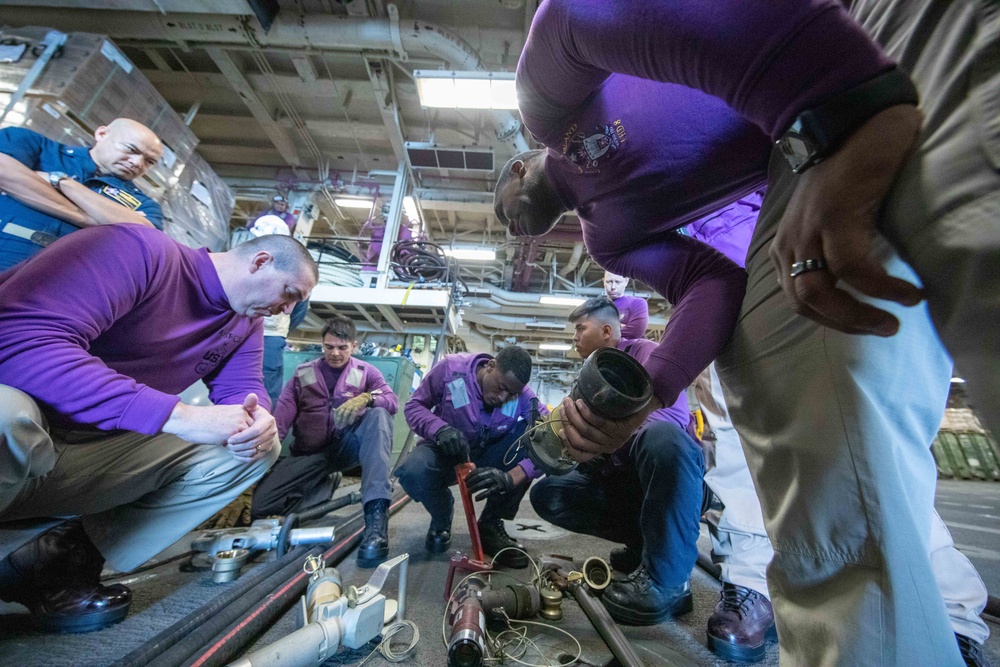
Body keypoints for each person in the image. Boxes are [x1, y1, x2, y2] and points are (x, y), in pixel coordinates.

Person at [495, 1, 995, 663]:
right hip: (800, 150)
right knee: (785, 399)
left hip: (835, 58)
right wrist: (654, 387)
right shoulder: (607, 237)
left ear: (517, 170)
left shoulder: (548, 108)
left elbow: (580, 11)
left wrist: (838, 99)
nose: (510, 225)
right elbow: (711, 284)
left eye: (502, 211)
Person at [0, 224, 317, 633]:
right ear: (260, 262)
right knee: (7, 414)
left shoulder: (244, 323)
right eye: (289, 294)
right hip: (24, 433)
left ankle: (55, 562)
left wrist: (256, 423)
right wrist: (179, 416)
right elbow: (19, 341)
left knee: (249, 449)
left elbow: (244, 390)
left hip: (77, 451)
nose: (287, 310)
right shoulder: (139, 252)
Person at [529, 297, 704, 626]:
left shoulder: (645, 355)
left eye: (581, 328)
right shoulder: (588, 379)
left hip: (671, 476)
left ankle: (670, 581)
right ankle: (642, 544)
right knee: (549, 493)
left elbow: (672, 417)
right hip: (624, 479)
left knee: (662, 437)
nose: (574, 336)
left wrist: (609, 445)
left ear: (607, 331)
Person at [254, 315, 399, 568]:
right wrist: (255, 463)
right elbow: (280, 421)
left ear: (354, 346)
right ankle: (321, 486)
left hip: (347, 449)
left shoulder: (367, 373)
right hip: (310, 454)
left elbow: (392, 401)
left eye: (342, 348)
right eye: (329, 347)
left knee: (379, 416)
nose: (335, 353)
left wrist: (368, 398)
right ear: (322, 345)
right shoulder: (302, 375)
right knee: (261, 505)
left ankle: (376, 520)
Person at [396, 346, 543, 569]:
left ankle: (490, 526)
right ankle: (442, 514)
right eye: (501, 387)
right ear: (490, 366)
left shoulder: (522, 396)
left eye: (511, 394)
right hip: (445, 450)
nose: (503, 398)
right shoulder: (451, 370)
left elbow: (550, 437)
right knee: (413, 471)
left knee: (530, 440)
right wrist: (440, 429)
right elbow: (414, 406)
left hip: (489, 456)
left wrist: (510, 478)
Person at [0, 119, 164, 271]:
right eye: (131, 149)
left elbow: (142, 238)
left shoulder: (145, 204)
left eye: (149, 161)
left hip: (60, 285)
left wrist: (62, 183)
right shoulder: (32, 144)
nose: (137, 163)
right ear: (102, 134)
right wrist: (93, 219)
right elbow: (3, 170)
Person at [603, 271, 648, 339]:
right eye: (609, 282)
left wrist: (602, 332)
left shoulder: (637, 303)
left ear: (626, 281)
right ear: (604, 281)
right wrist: (619, 327)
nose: (613, 287)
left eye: (618, 282)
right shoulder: (596, 307)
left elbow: (635, 332)